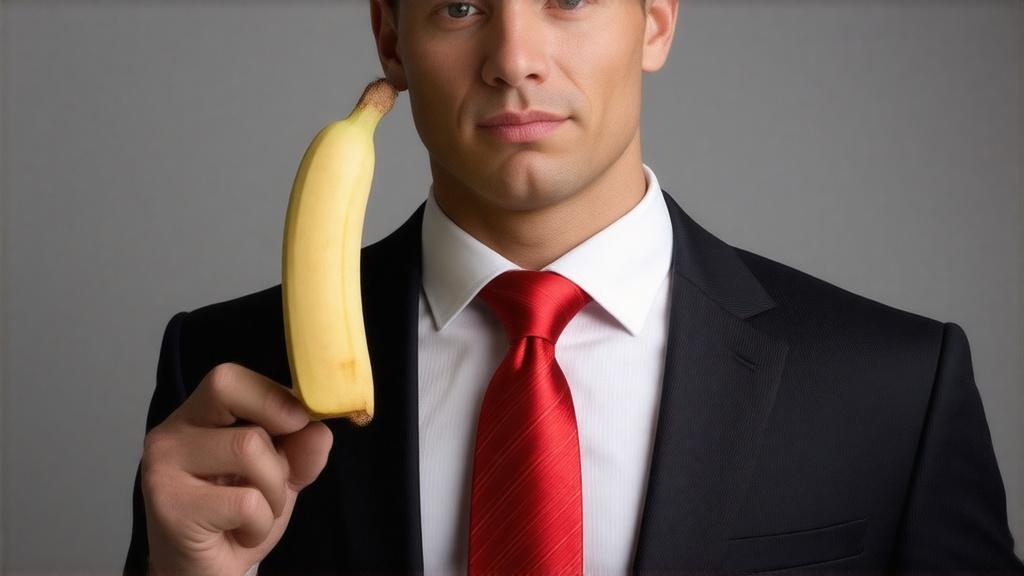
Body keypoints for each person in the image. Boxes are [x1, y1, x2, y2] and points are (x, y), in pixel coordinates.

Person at [125, 0, 1024, 574]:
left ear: (657, 20)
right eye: (461, 5)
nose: (514, 57)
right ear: (391, 38)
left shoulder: (895, 387)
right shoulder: (225, 378)